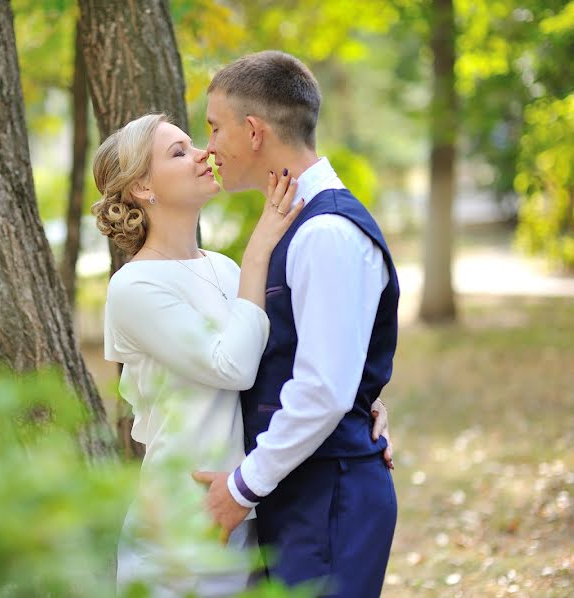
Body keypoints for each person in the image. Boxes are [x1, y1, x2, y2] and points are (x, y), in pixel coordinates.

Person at [93, 111, 390, 597]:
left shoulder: (227, 269)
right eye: (179, 151)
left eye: (194, 143)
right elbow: (231, 365)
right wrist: (260, 250)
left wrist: (364, 407)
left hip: (252, 505)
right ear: (143, 188)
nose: (202, 154)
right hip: (183, 520)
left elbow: (293, 360)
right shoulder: (134, 286)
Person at [193, 51, 399, 597]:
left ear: (254, 131)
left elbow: (324, 388)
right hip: (301, 494)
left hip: (328, 498)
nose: (208, 146)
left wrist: (241, 489)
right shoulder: (294, 224)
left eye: (215, 128)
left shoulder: (326, 232)